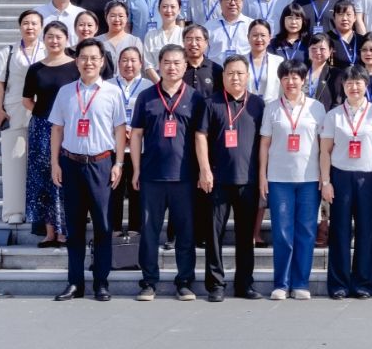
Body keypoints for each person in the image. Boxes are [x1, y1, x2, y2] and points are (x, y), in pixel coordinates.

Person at [43, 38, 127, 302]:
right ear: (76, 61)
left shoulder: (113, 92)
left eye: (94, 58)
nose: (88, 62)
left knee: (103, 226)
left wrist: (119, 163)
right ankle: (74, 283)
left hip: (102, 164)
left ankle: (101, 282)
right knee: (74, 227)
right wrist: (55, 163)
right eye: (83, 58)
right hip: (71, 163)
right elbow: (57, 129)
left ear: (102, 62)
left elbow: (120, 130)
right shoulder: (66, 92)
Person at [130, 44, 202, 301]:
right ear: (159, 65)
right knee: (149, 232)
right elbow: (136, 135)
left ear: (185, 66)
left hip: (185, 177)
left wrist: (203, 171)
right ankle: (149, 282)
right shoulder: (146, 96)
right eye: (167, 62)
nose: (172, 67)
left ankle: (184, 282)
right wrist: (136, 169)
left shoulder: (195, 98)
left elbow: (200, 137)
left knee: (186, 233)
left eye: (177, 63)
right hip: (152, 176)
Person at [195, 54, 266, 301]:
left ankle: (244, 284)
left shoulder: (258, 104)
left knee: (246, 236)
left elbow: (265, 142)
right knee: (214, 235)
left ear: (247, 76)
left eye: (240, 73)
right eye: (230, 73)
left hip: (248, 180)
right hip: (218, 180)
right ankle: (215, 285)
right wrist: (205, 169)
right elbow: (200, 136)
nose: (235, 77)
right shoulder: (211, 102)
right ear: (222, 76)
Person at [259, 60, 327, 300]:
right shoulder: (271, 108)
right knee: (282, 232)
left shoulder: (317, 108)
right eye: (286, 77)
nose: (290, 82)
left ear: (304, 80)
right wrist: (262, 176)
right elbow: (264, 144)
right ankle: (281, 283)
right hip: (279, 179)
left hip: (310, 179)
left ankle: (300, 283)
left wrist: (324, 177)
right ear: (280, 81)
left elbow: (324, 145)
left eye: (295, 77)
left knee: (306, 232)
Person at [319, 67, 372, 299]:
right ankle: (338, 284)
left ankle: (363, 284)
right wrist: (326, 181)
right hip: (340, 176)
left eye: (358, 82)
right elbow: (325, 151)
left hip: (368, 177)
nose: (354, 87)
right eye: (349, 83)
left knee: (366, 231)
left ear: (366, 85)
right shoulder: (334, 115)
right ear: (343, 86)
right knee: (339, 231)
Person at [22, 21, 77, 246]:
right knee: (44, 179)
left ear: (67, 39)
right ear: (44, 39)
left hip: (69, 128)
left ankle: (65, 231)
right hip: (41, 129)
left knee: (65, 177)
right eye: (50, 37)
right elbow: (27, 100)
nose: (54, 41)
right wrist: (46, 114)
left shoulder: (75, 66)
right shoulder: (36, 69)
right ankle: (50, 231)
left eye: (59, 37)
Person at [0, 10, 46, 224]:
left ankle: (41, 210)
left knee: (43, 161)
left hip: (42, 107)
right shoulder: (7, 52)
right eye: (25, 23)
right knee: (14, 159)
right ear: (19, 26)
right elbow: (0, 84)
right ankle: (14, 210)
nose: (30, 27)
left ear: (41, 27)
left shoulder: (48, 49)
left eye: (34, 23)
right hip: (13, 108)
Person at [109, 47, 150, 235]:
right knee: (113, 191)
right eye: (124, 60)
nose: (129, 64)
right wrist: (119, 130)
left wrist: (134, 131)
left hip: (140, 148)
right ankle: (114, 231)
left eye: (133, 60)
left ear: (141, 63)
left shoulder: (148, 87)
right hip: (112, 146)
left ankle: (135, 232)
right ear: (118, 64)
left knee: (137, 191)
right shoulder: (107, 85)